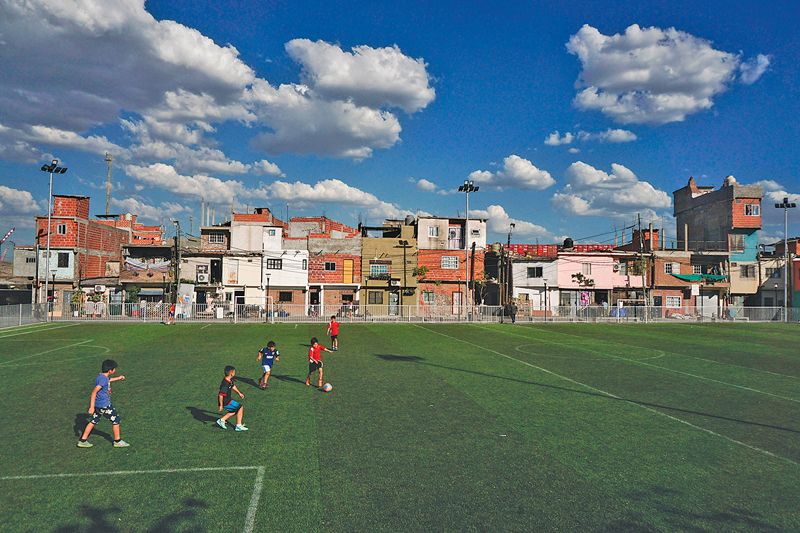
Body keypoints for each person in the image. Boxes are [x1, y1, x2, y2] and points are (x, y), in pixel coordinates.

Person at [78, 359, 130, 448]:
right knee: (116, 420)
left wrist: (118, 378)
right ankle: (117, 441)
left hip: (98, 405)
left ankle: (82, 440)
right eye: (114, 369)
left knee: (93, 421)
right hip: (104, 405)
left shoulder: (100, 376)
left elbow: (108, 380)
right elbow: (94, 392)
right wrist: (91, 407)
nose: (115, 370)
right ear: (110, 370)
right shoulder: (103, 380)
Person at [217, 365, 248, 431]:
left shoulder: (229, 380)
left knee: (234, 410)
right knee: (240, 407)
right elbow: (221, 395)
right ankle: (238, 426)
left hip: (228, 399)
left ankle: (221, 420)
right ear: (232, 373)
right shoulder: (225, 384)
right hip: (225, 401)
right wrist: (221, 405)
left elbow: (233, 386)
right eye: (234, 372)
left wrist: (239, 393)